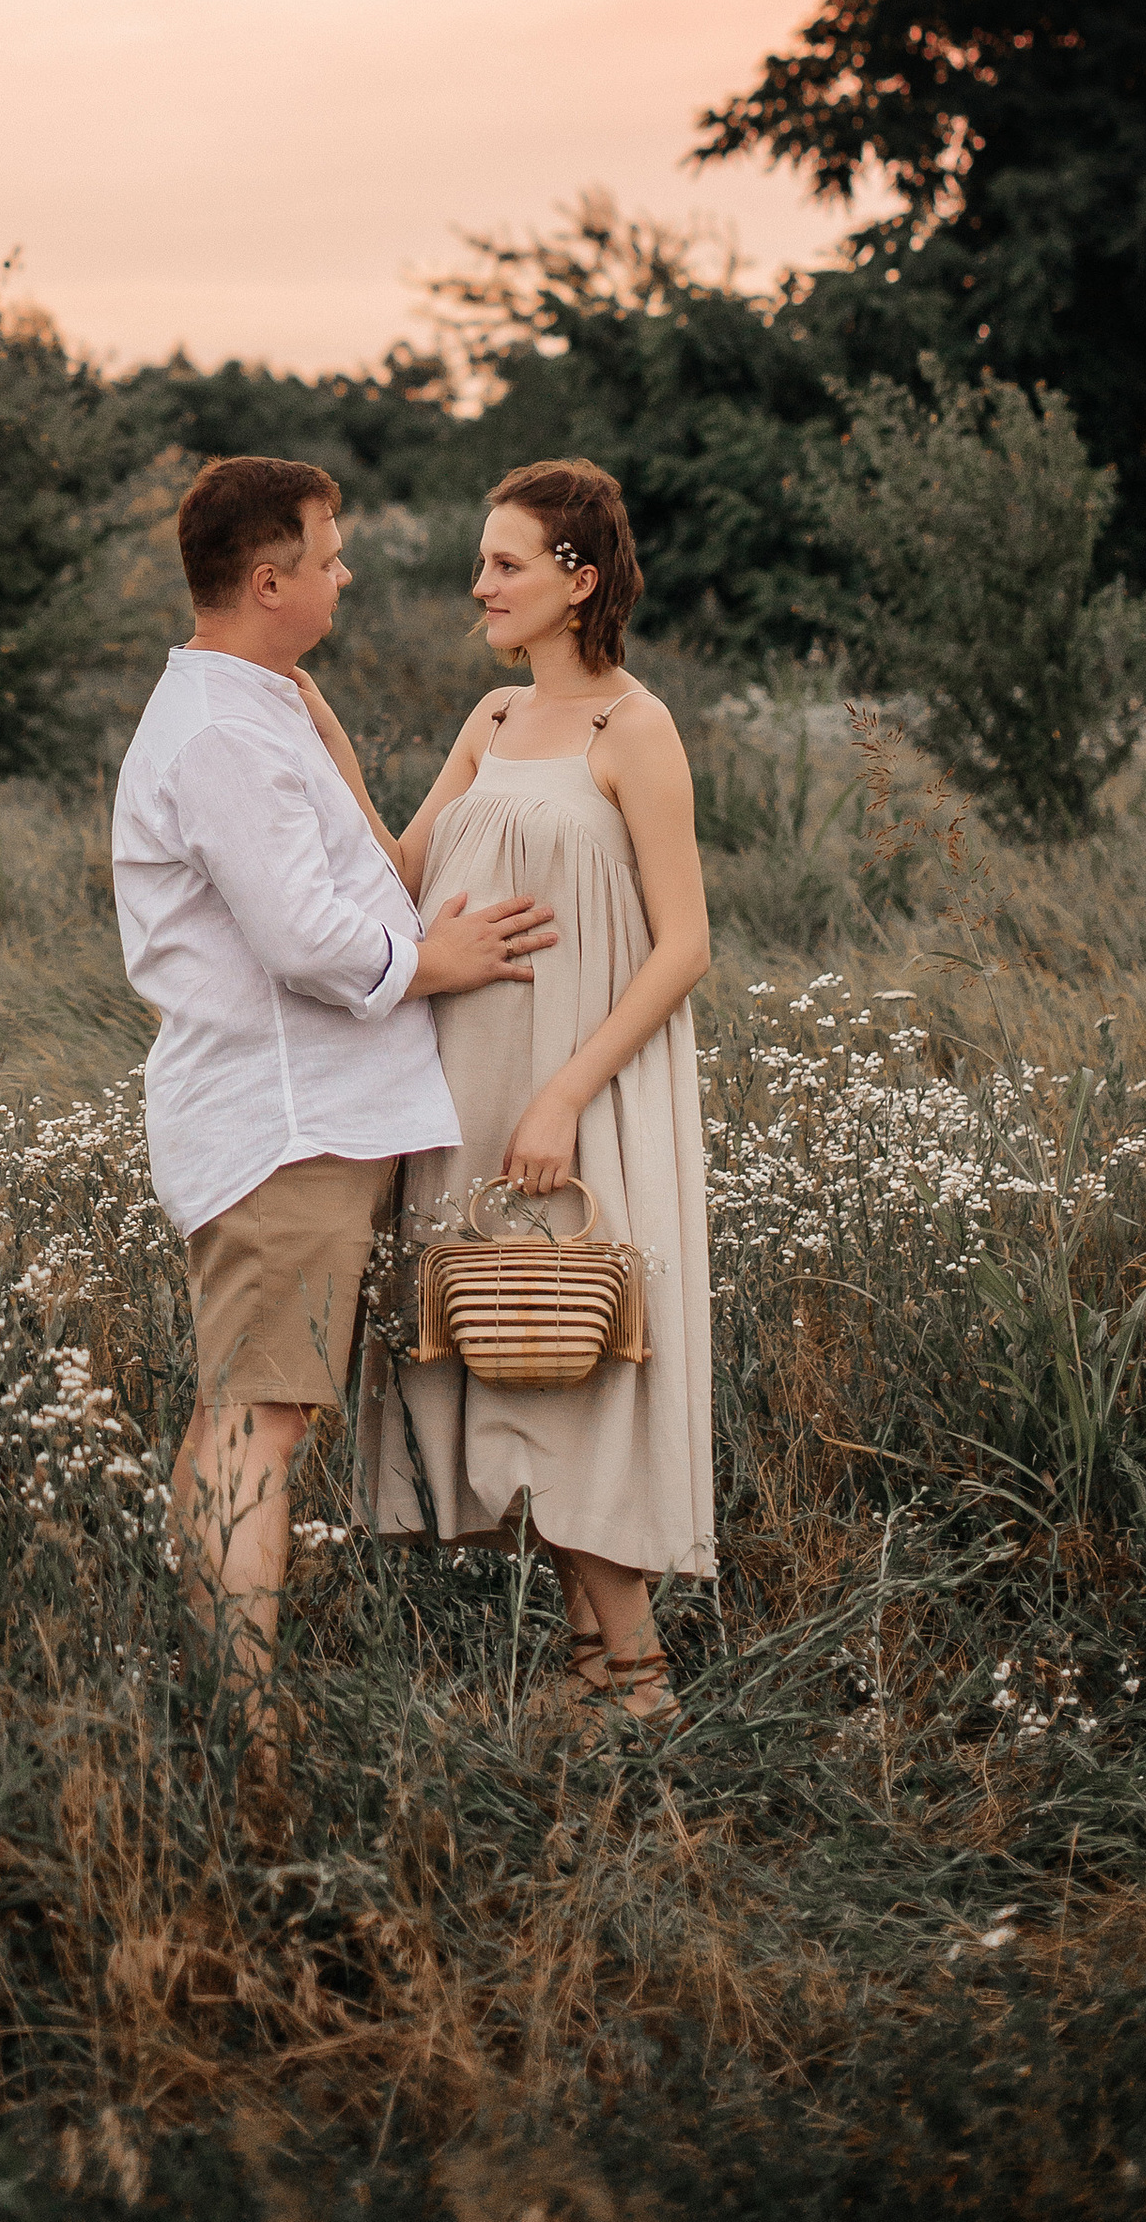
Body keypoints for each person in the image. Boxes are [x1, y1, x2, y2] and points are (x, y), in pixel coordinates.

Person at [112, 455, 558, 1768]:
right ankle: (242, 1726)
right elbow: (310, 936)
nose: (345, 570)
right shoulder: (219, 732)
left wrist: (460, 772)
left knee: (244, 1411)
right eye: (330, 551)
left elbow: (369, 875)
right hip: (282, 1125)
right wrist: (442, 963)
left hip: (313, 1118)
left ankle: (221, 1686)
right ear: (270, 579)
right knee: (260, 1417)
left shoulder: (270, 703)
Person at [306, 458, 714, 1719]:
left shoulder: (629, 728)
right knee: (504, 1344)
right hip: (461, 1090)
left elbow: (684, 943)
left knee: (577, 1355)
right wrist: (319, 733)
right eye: (482, 560)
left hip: (574, 1095)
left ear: (577, 579)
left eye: (505, 563)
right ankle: (591, 1669)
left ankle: (639, 1684)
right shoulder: (488, 721)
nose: (478, 583)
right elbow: (398, 870)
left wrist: (562, 1096)